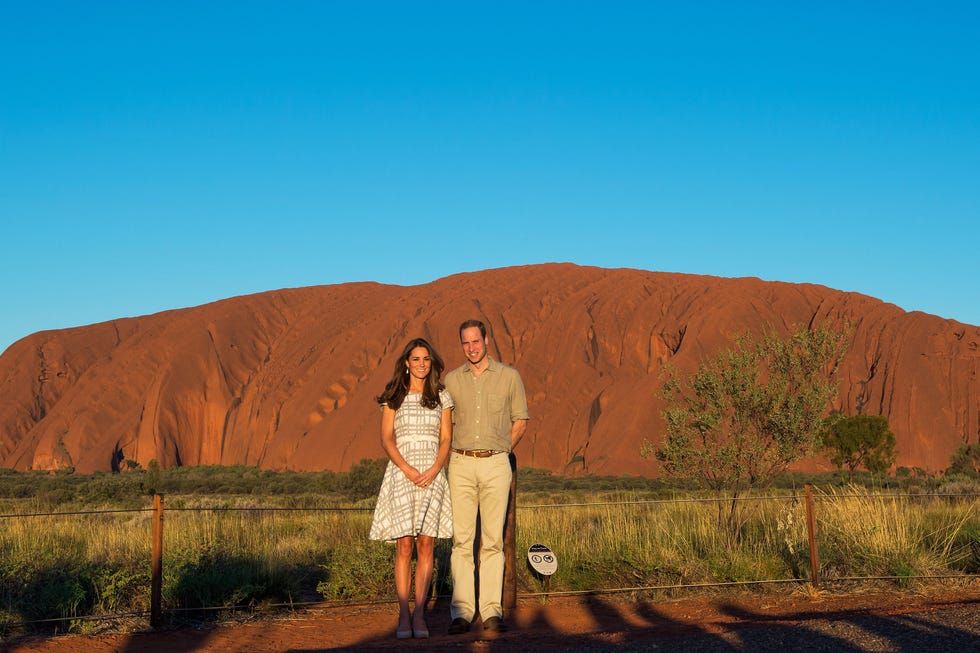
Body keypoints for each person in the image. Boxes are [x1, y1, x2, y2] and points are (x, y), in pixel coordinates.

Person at [443, 319, 529, 634]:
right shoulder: (452, 380)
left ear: (486, 340)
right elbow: (445, 423)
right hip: (461, 463)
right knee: (462, 541)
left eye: (475, 341)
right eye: (465, 343)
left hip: (496, 462)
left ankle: (492, 611)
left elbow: (520, 420)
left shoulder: (509, 377)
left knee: (492, 541)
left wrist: (503, 450)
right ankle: (462, 613)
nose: (471, 348)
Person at [368, 337, 454, 639]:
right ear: (406, 362)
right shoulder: (394, 395)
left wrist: (434, 469)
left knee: (427, 544)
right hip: (402, 473)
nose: (421, 364)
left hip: (432, 474)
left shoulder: (442, 395)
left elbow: (446, 439)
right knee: (404, 544)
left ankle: (420, 615)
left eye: (426, 359)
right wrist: (406, 468)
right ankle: (403, 614)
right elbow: (386, 438)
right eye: (416, 359)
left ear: (431, 363)